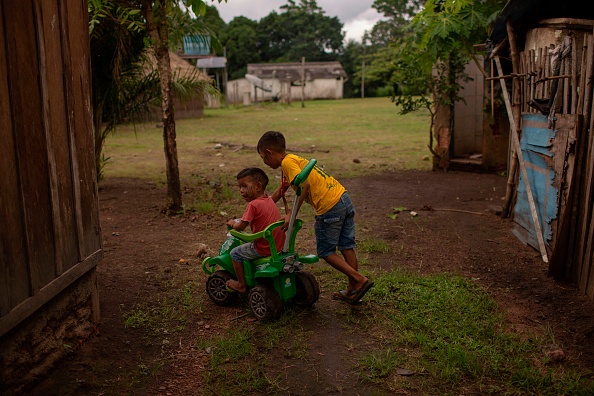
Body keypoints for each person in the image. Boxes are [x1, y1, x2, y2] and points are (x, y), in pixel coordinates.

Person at [257, 131, 373, 304]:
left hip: (329, 207)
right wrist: (264, 204)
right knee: (346, 245)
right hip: (342, 198)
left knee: (326, 252)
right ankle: (353, 289)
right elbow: (283, 188)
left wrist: (291, 214)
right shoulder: (292, 160)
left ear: (269, 152)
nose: (264, 163)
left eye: (263, 158)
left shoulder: (288, 164)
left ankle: (360, 279)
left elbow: (305, 185)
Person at [225, 167, 285, 293]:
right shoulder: (268, 200)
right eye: (239, 187)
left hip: (263, 247)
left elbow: (241, 226)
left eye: (244, 186)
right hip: (278, 245)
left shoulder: (252, 205)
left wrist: (232, 223)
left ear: (258, 186)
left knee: (235, 253)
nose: (241, 190)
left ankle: (241, 284)